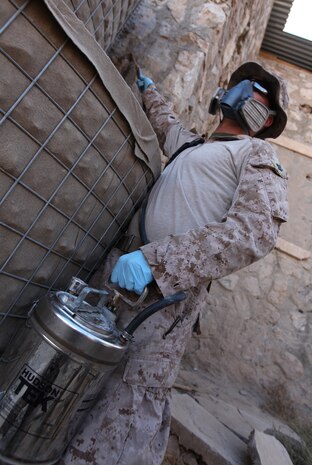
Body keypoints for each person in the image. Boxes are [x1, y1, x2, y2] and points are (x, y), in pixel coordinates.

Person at [60, 62, 289, 465]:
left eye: (258, 91)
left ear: (266, 117)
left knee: (126, 408)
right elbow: (165, 122)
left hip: (162, 304)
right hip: (118, 279)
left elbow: (255, 231)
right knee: (78, 382)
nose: (244, 90)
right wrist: (147, 88)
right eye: (241, 84)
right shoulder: (194, 145)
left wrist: (158, 263)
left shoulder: (255, 152)